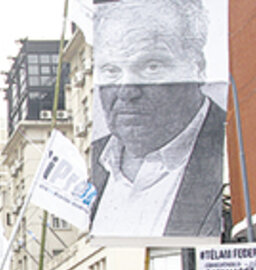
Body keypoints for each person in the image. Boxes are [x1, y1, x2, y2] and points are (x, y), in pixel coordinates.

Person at [89, 0, 225, 239]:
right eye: (111, 70)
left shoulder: (230, 145)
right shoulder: (97, 160)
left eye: (151, 67)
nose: (127, 91)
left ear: (197, 67)